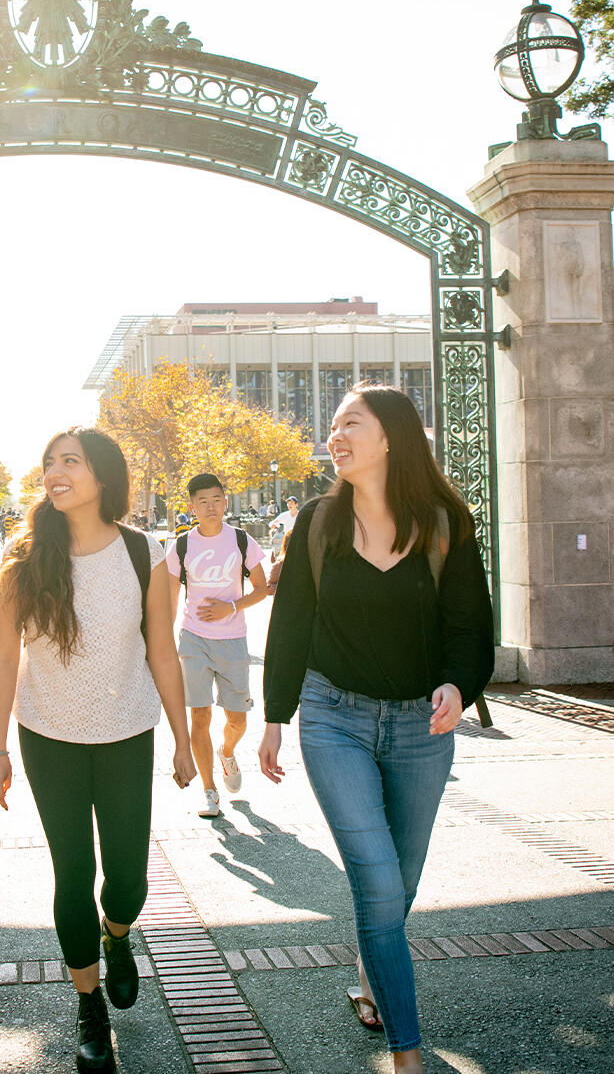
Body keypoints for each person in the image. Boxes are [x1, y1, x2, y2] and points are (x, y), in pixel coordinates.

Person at [259, 383, 494, 1073]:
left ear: (390, 436)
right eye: (332, 425)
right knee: (376, 876)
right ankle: (407, 1050)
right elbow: (292, 622)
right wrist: (275, 717)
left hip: (422, 725)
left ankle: (371, 967)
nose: (335, 434)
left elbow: (470, 627)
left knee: (400, 876)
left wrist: (458, 681)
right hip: (334, 717)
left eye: (350, 423)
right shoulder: (317, 523)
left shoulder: (445, 520)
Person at [0, 426, 197, 1074]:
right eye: (50, 461)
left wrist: (184, 740)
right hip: (49, 737)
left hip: (128, 733)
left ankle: (118, 935)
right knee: (73, 875)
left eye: (70, 462)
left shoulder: (145, 552)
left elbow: (162, 649)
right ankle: (88, 1006)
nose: (56, 471)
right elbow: (2, 659)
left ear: (103, 477)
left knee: (127, 880)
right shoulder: (22, 558)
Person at [167, 474, 268, 819]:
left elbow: (261, 588)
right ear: (192, 507)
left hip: (232, 640)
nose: (211, 507)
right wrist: (164, 644)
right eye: (203, 502)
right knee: (199, 714)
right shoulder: (180, 547)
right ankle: (209, 791)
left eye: (217, 500)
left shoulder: (241, 542)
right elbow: (168, 600)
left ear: (226, 502)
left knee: (236, 719)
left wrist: (232, 607)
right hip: (193, 640)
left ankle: (227, 752)